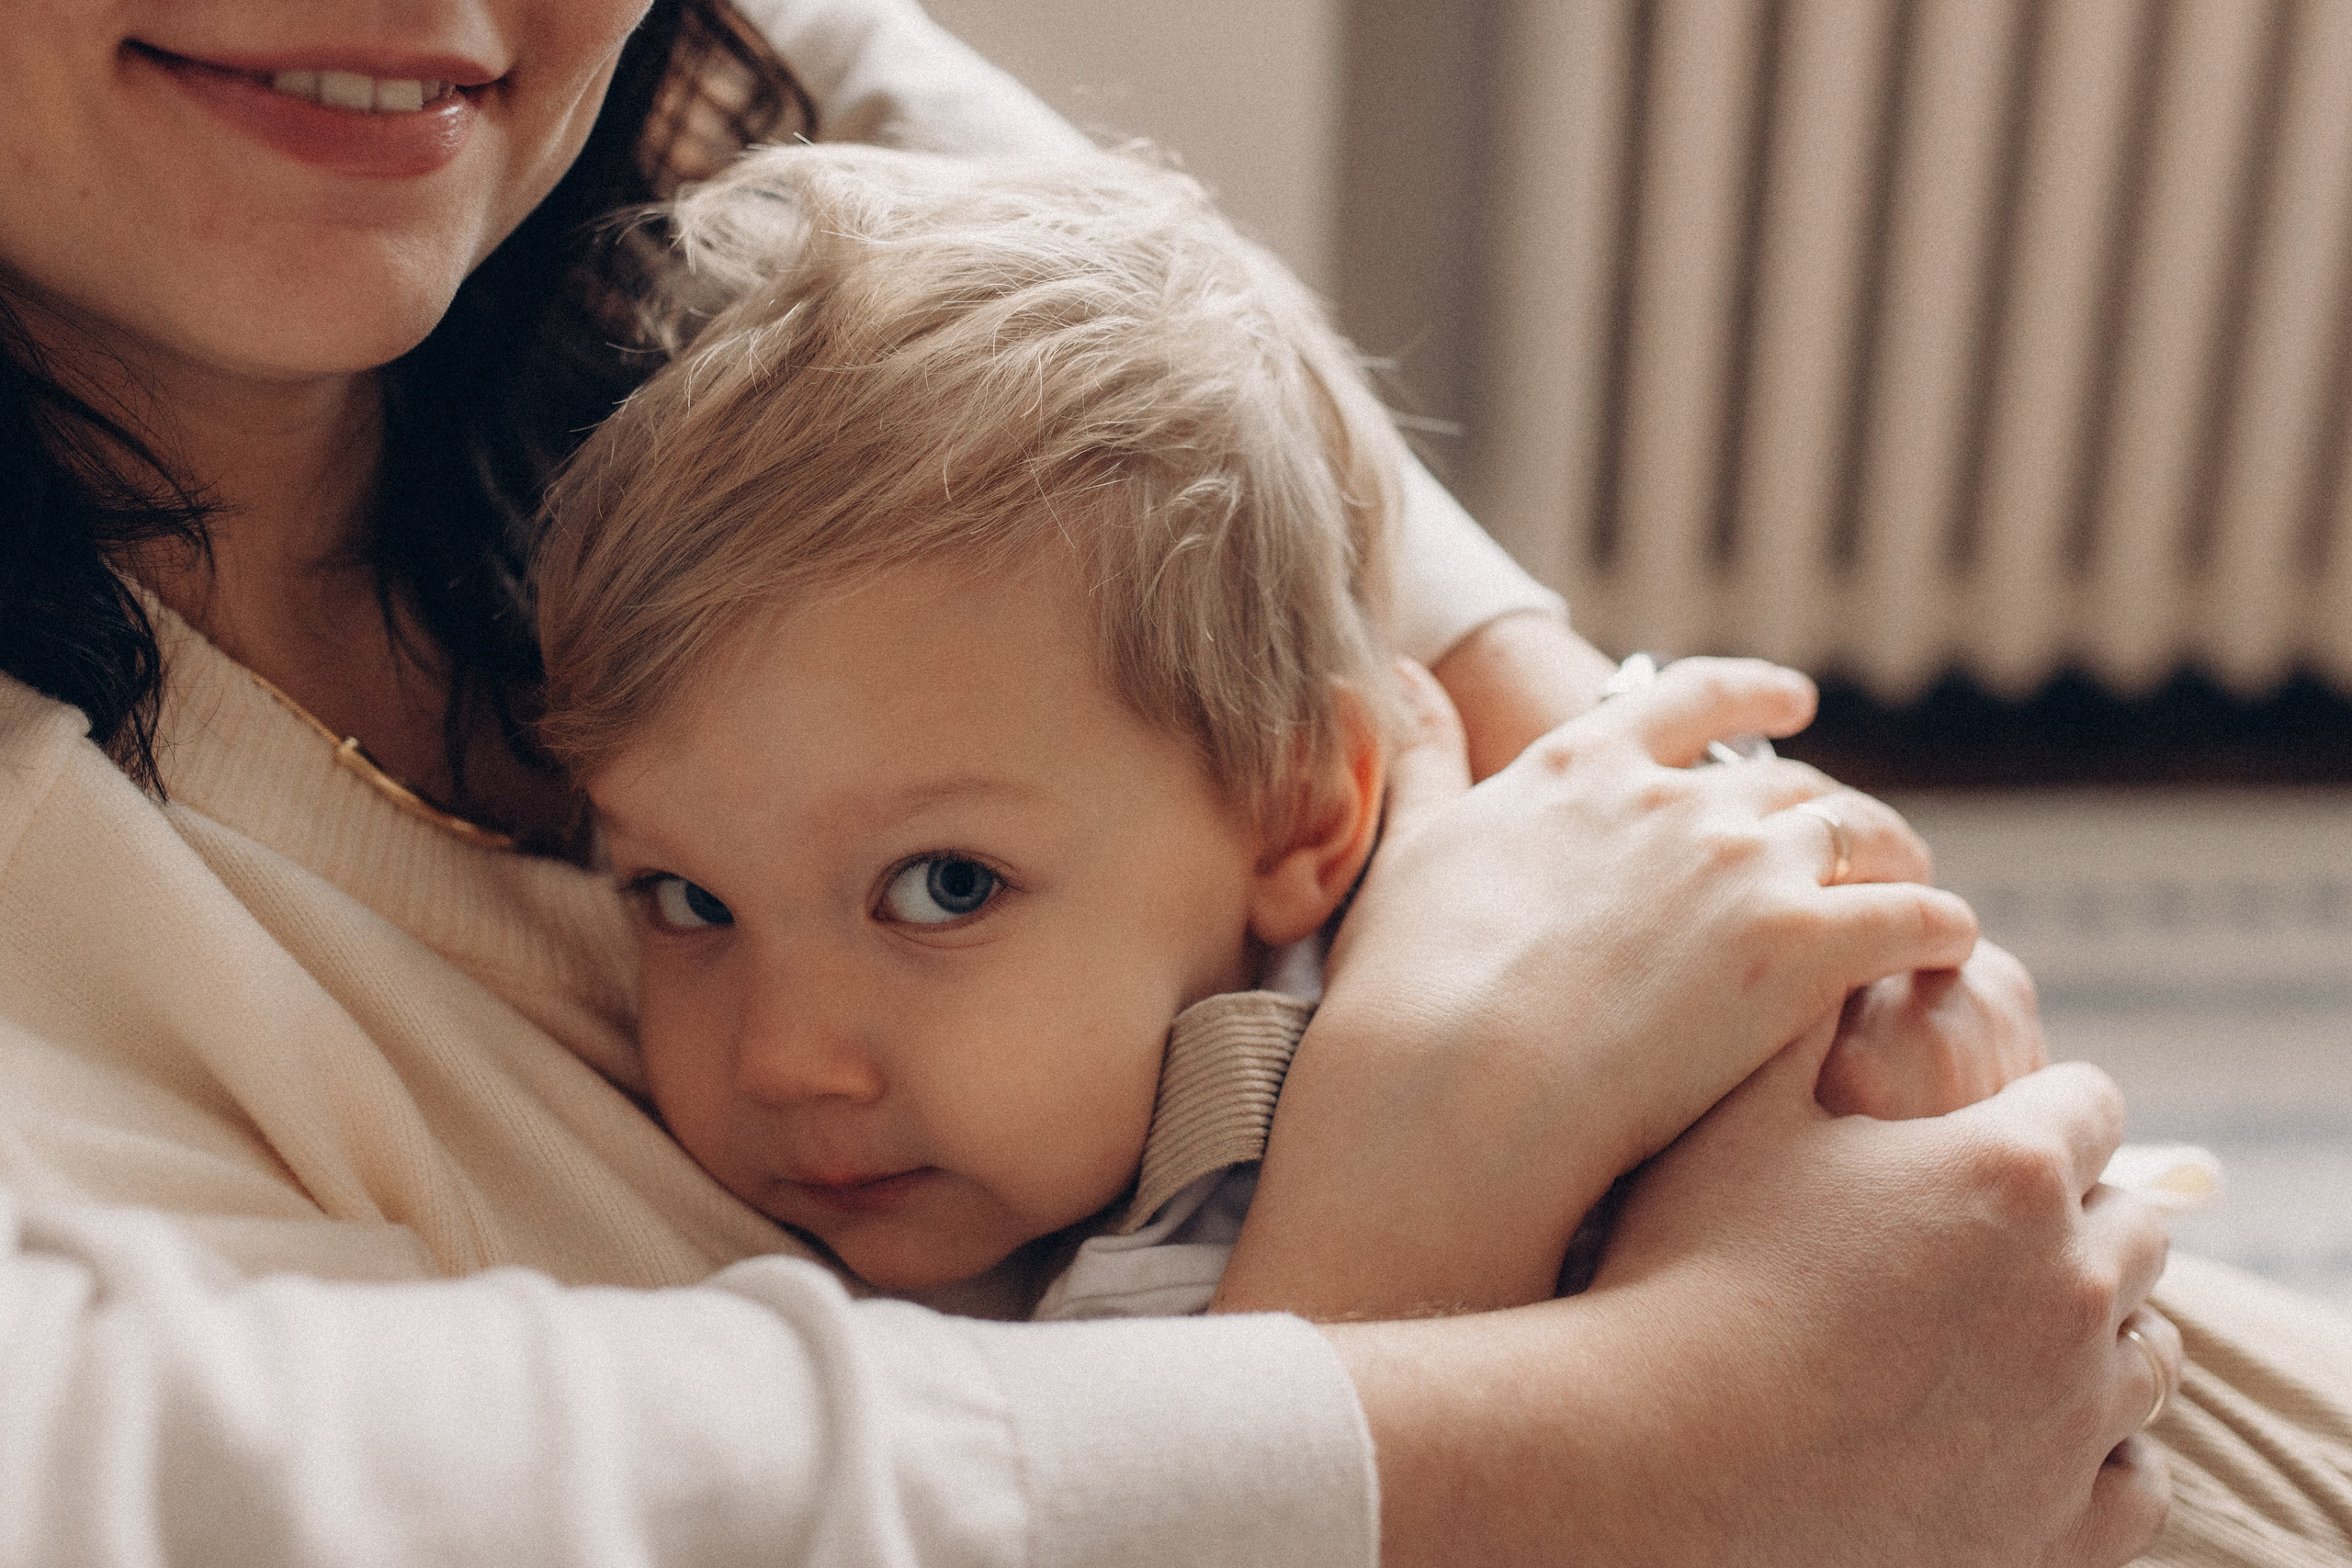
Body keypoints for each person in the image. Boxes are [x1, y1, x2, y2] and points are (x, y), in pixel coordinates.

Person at [0, 0, 2338, 1562]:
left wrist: (1755, 916)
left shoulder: (716, 231)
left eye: (935, 880)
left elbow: (1109, 349)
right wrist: (1497, 1262)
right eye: (676, 899)